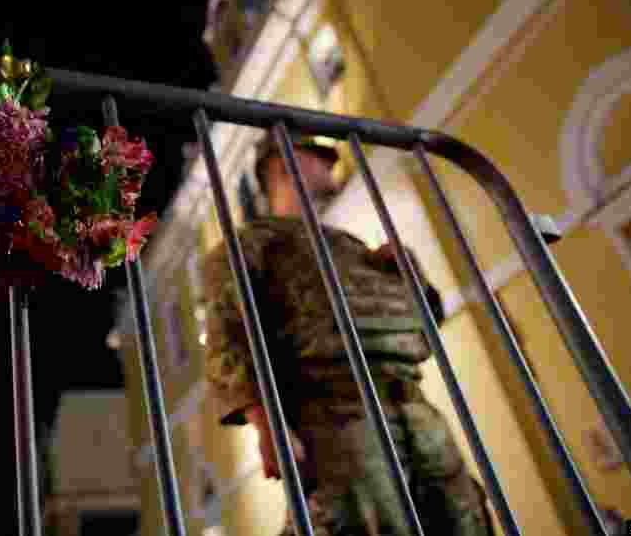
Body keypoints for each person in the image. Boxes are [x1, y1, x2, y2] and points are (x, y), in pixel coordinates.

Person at [203, 134, 494, 536]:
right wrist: (267, 424)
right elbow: (228, 335)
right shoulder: (253, 243)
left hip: (415, 408)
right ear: (287, 166)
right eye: (320, 158)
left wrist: (414, 280)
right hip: (337, 417)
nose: (331, 166)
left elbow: (422, 336)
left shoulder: (350, 244)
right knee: (362, 525)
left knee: (464, 522)